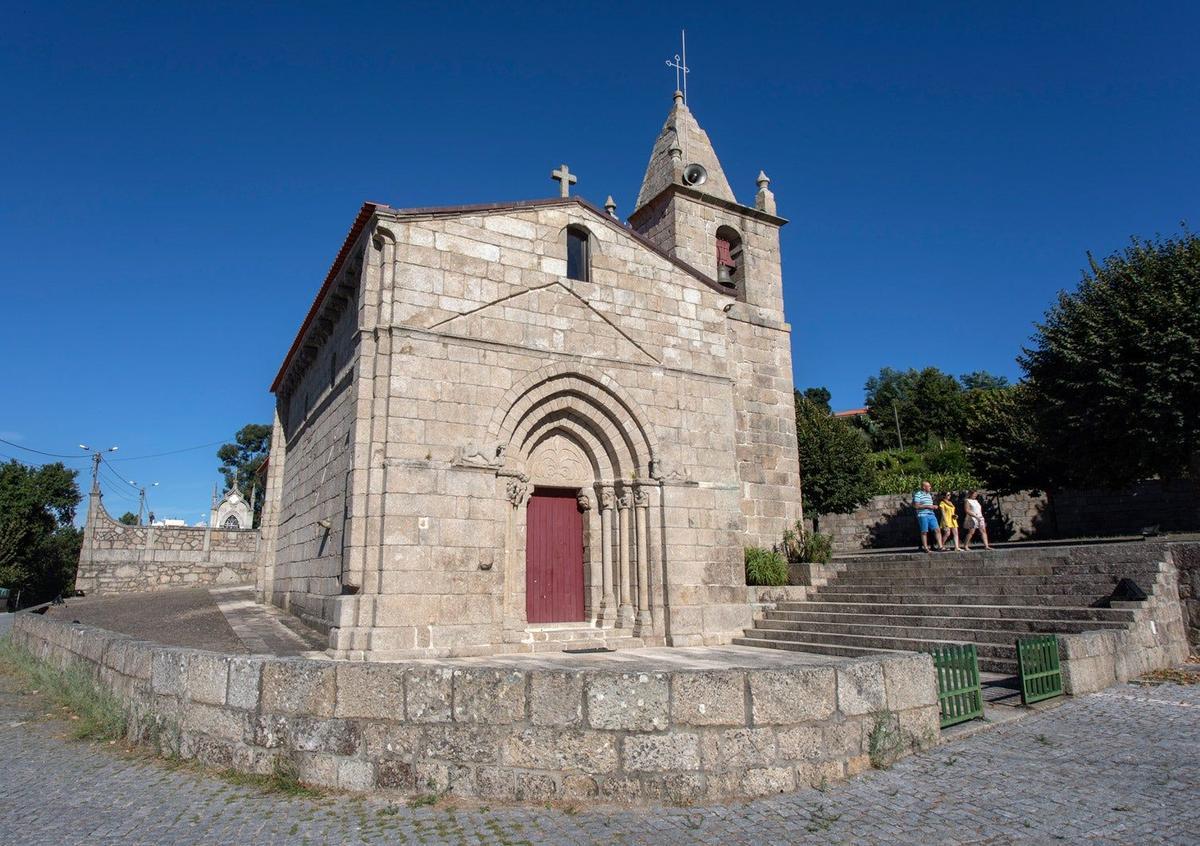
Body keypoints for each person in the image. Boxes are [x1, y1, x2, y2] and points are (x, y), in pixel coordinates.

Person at [913, 481, 944, 552]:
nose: (930, 487)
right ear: (924, 487)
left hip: (931, 514)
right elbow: (916, 506)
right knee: (924, 531)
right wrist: (928, 506)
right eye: (929, 486)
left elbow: (930, 505)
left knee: (937, 529)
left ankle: (940, 546)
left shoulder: (929, 495)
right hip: (923, 515)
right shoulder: (918, 494)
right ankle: (926, 548)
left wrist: (934, 506)